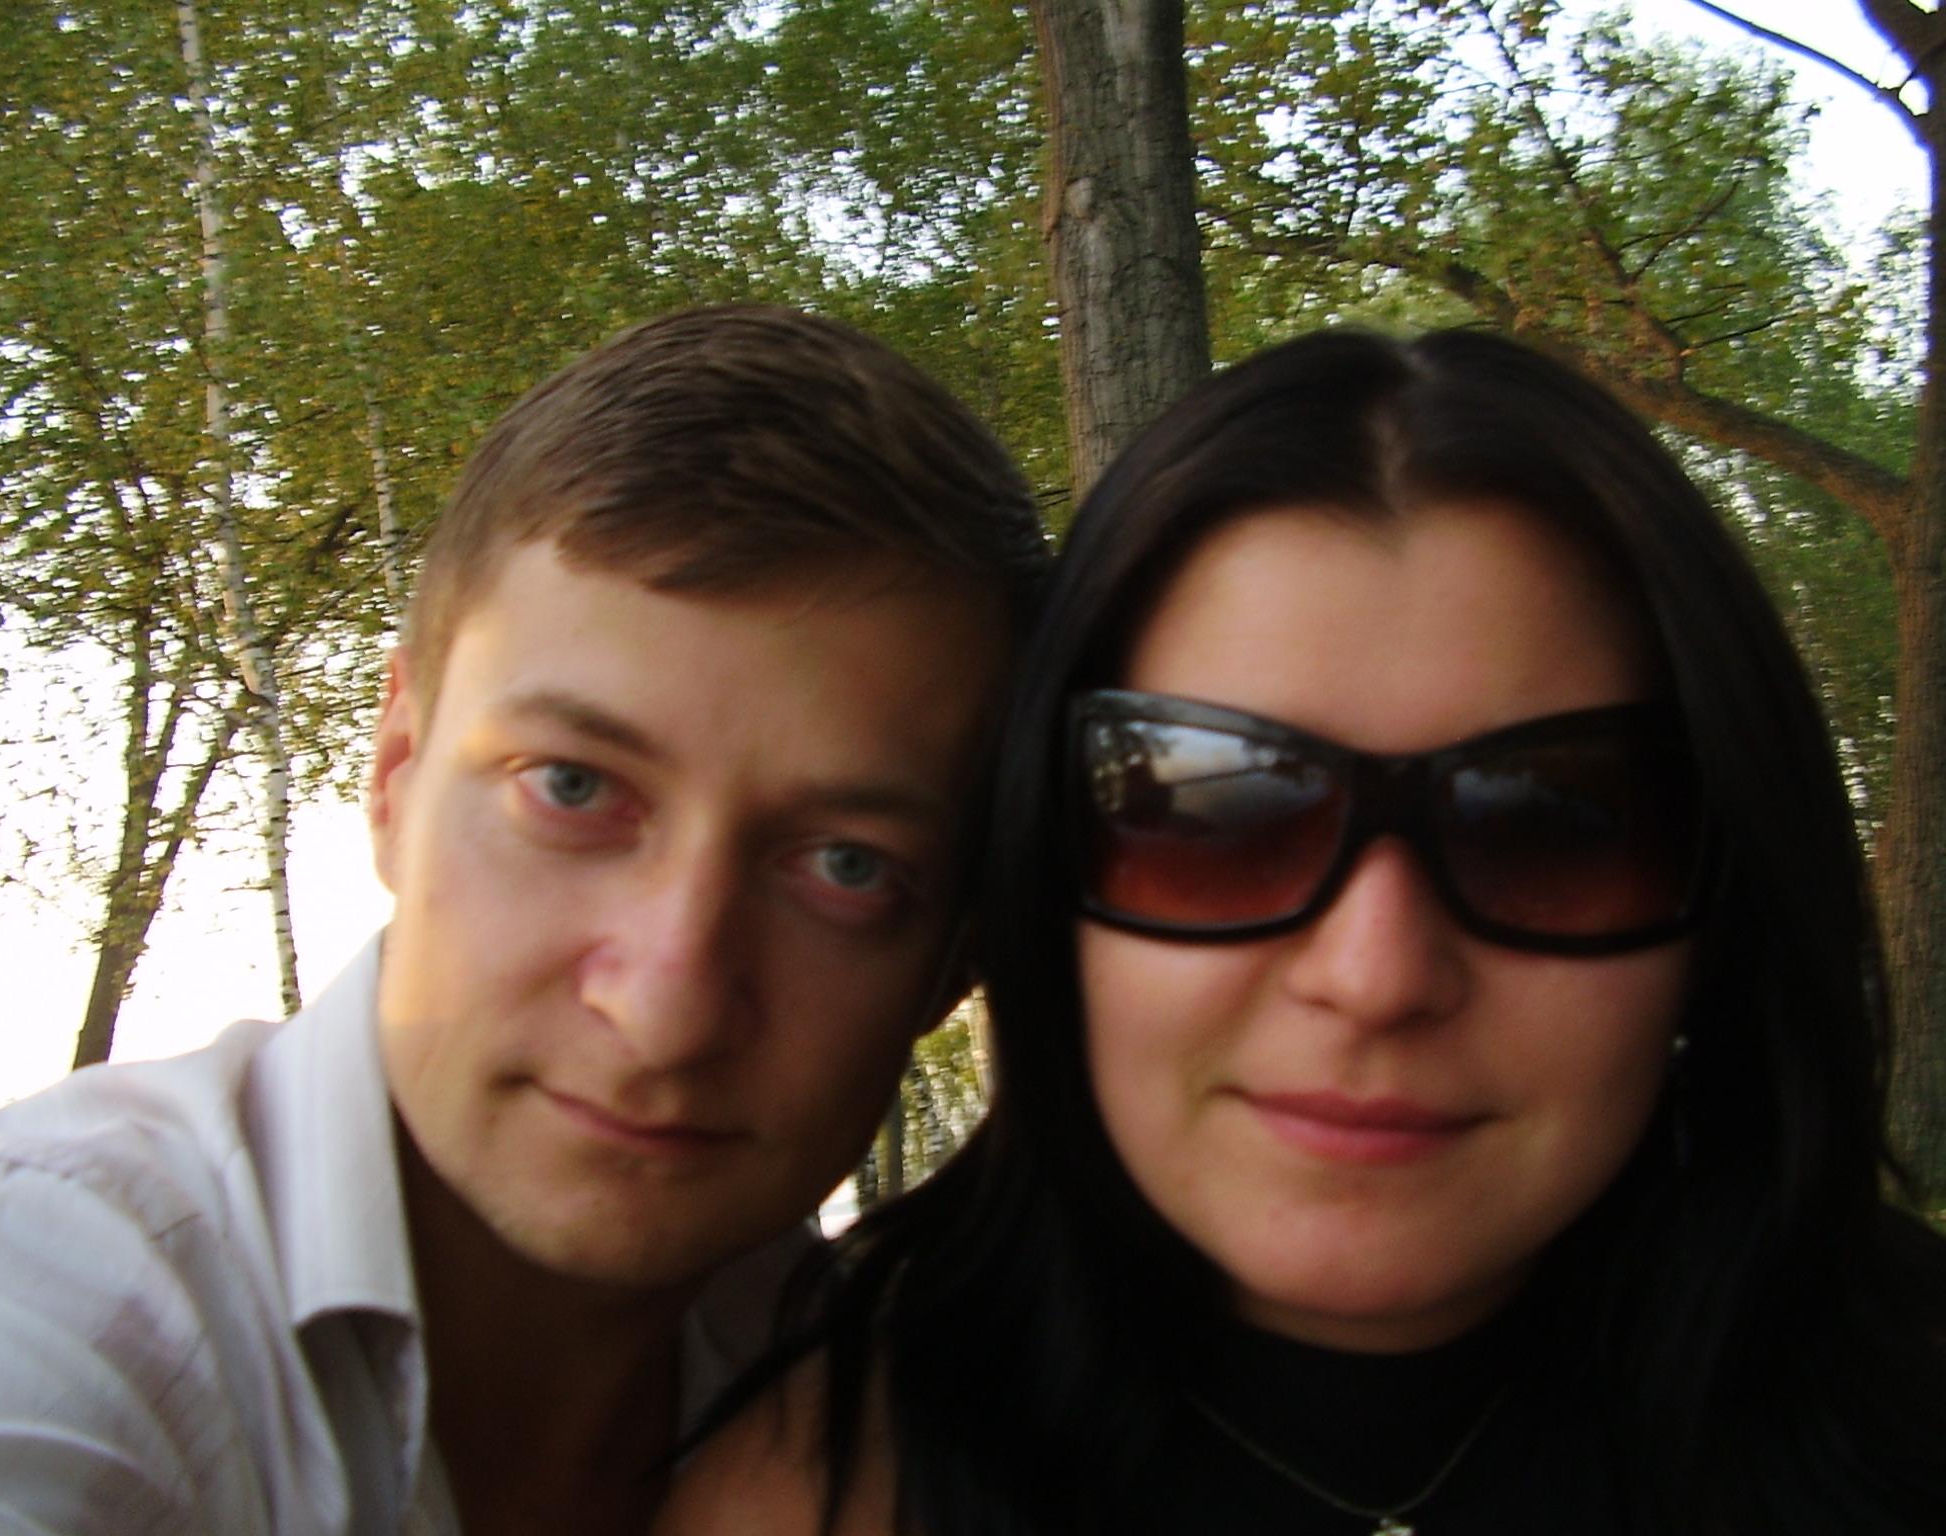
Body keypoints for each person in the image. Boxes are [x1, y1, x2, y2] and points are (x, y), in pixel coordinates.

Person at [658, 327, 1946, 1535]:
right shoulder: (813, 1495)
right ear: (1043, 885)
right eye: (1213, 814)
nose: (1374, 974)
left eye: (1546, 830)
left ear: (1717, 899)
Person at [0, 304, 1049, 1535]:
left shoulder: (908, 1412)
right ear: (395, 772)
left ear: (954, 959)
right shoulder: (10, 1296)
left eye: (845, 866)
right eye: (573, 788)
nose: (663, 1010)